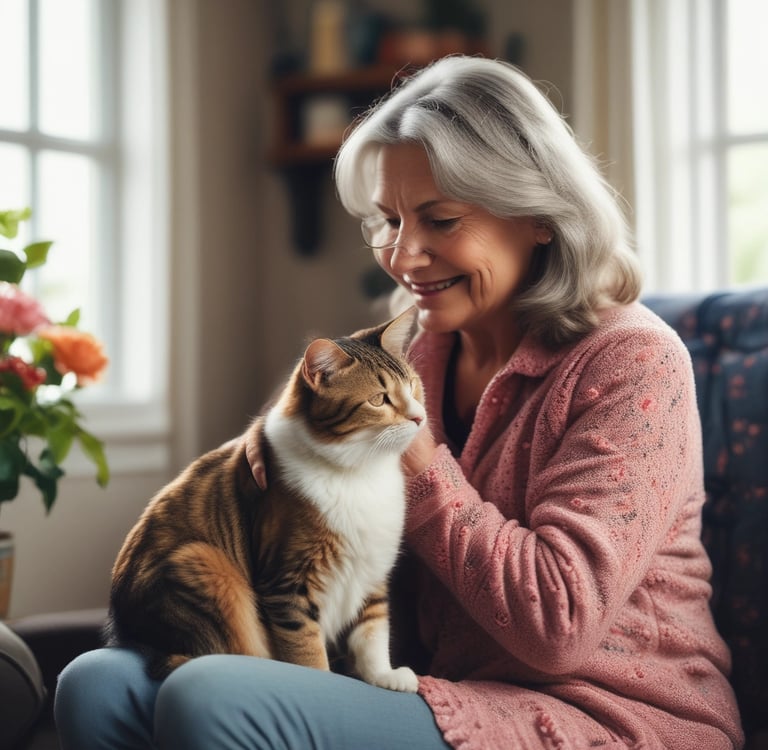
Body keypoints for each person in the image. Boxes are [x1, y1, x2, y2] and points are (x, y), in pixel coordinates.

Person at [55, 55, 744, 749]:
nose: (404, 255)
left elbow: (559, 624)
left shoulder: (633, 360)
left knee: (211, 699)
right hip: (441, 681)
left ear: (539, 216)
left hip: (606, 714)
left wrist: (419, 463)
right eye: (389, 220)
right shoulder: (422, 347)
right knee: (96, 684)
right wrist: (279, 461)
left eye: (440, 221)